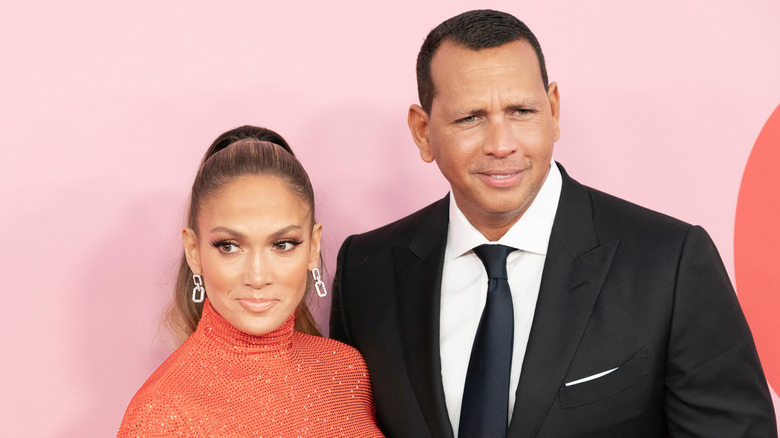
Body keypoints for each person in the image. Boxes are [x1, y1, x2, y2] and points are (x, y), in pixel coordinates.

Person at [330, 10, 776, 438]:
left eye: (522, 112)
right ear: (423, 131)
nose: (501, 145)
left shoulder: (670, 263)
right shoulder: (365, 271)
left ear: (554, 110)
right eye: (470, 118)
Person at [119, 126, 384, 437]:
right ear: (194, 251)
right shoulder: (162, 415)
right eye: (229, 246)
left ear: (313, 247)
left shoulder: (346, 370)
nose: (258, 277)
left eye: (282, 244)